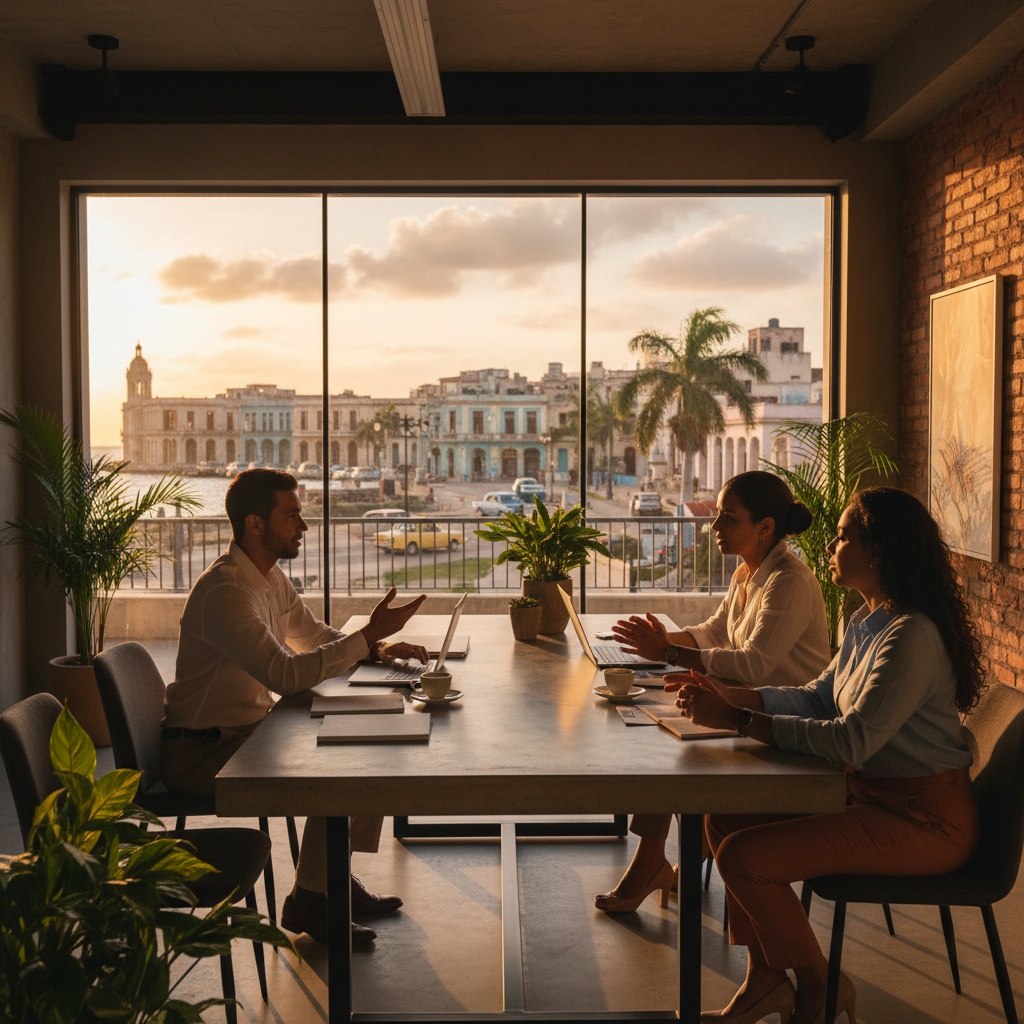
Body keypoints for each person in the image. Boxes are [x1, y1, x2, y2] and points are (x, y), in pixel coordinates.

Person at [677, 487, 983, 1024]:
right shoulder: (868, 621)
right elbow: (819, 696)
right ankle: (767, 980)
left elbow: (850, 741)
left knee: (742, 858)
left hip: (924, 819)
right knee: (724, 816)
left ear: (879, 551)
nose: (830, 547)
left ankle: (822, 984)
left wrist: (742, 721)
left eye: (844, 537)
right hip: (868, 796)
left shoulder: (911, 637)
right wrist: (732, 698)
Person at [162, 468, 430, 946]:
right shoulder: (227, 592)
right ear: (255, 525)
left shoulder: (269, 577)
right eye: (292, 516)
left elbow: (312, 637)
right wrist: (367, 634)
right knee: (335, 765)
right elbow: (285, 675)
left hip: (245, 734)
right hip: (202, 754)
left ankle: (328, 879)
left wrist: (375, 650)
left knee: (368, 745)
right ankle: (311, 899)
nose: (303, 526)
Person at [595, 470, 831, 913]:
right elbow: (714, 631)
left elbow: (753, 663)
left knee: (669, 751)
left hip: (780, 723)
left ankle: (655, 865)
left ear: (765, 528)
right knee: (662, 731)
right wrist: (664, 639)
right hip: (742, 706)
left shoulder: (789, 581)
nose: (715, 527)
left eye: (727, 518)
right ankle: (661, 863)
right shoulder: (748, 573)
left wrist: (669, 652)